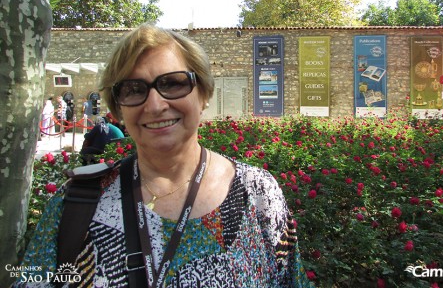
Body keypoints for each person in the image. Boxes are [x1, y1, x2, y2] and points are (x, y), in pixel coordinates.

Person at [16, 24, 313, 287]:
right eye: (133, 89)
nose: (155, 105)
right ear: (119, 108)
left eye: (172, 83)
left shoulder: (258, 194)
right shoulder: (76, 205)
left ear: (204, 94)